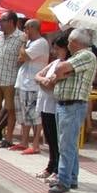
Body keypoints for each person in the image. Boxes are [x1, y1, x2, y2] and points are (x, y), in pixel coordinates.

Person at [40, 29, 97, 193]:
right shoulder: (78, 57)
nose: (68, 46)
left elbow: (60, 68)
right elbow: (60, 71)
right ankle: (71, 177)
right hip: (65, 104)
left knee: (66, 145)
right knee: (68, 144)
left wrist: (59, 75)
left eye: (70, 42)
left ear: (75, 42)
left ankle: (63, 180)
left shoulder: (86, 55)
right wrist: (60, 74)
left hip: (73, 105)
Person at [33, 35, 70, 183]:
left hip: (55, 105)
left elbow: (52, 83)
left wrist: (44, 82)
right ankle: (50, 165)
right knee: (49, 137)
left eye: (58, 48)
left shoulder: (66, 65)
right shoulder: (55, 62)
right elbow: (38, 76)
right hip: (45, 103)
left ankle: (57, 168)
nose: (55, 51)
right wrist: (43, 80)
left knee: (56, 139)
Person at [0, 12, 24, 148]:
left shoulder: (21, 38)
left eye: (2, 20)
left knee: (10, 110)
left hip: (11, 78)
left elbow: (23, 58)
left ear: (12, 22)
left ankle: (8, 138)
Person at [14, 18, 47, 154]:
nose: (24, 31)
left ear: (33, 28)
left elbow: (25, 56)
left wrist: (22, 45)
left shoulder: (41, 43)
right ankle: (24, 141)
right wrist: (24, 48)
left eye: (26, 28)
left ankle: (35, 145)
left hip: (32, 85)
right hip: (22, 82)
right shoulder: (29, 42)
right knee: (23, 116)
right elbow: (20, 58)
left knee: (34, 117)